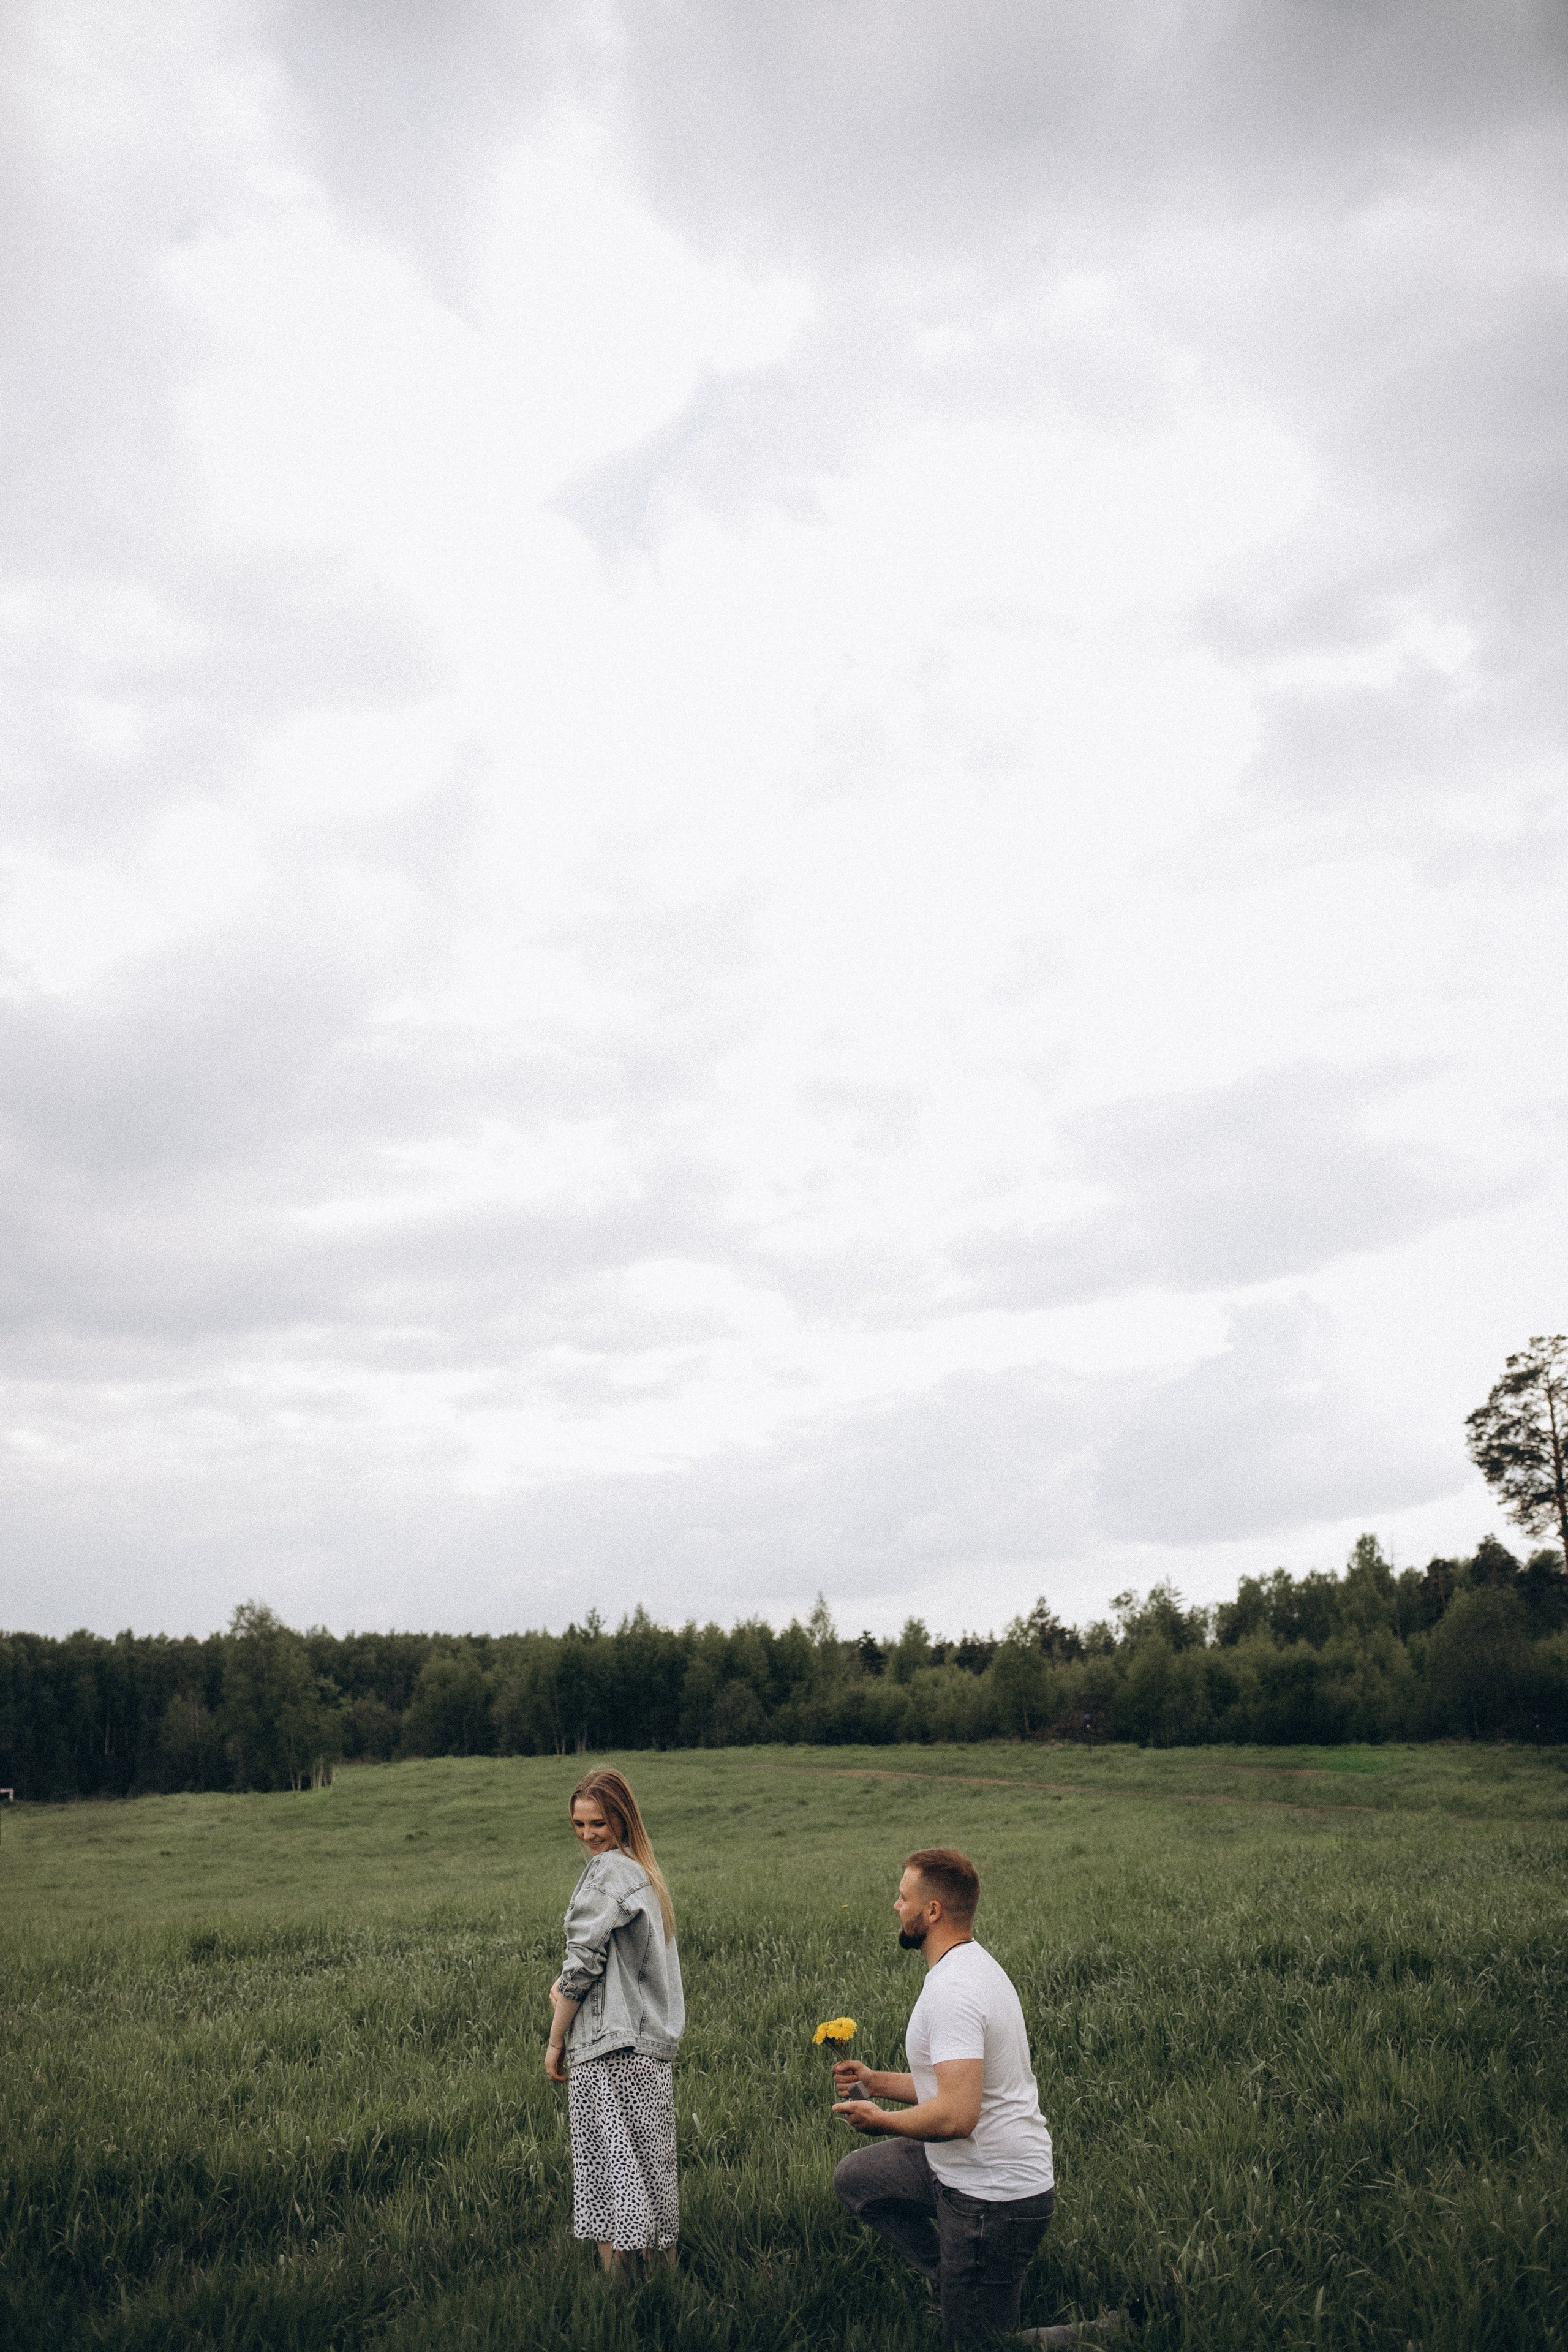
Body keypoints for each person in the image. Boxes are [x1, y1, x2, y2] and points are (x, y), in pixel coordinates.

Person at [831, 1846, 1055, 2346]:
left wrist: (881, 2120)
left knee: (981, 2347)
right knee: (858, 2179)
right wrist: (876, 2081)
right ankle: (956, 2281)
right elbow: (953, 2088)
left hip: (994, 2197)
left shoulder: (954, 1990)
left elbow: (956, 2115)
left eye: (903, 1897)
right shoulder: (970, 1967)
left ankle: (1114, 2328)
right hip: (961, 2170)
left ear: (931, 1911)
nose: (896, 1906)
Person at [545, 1767, 685, 2279]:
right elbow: (620, 1968)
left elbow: (582, 1964)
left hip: (606, 2050)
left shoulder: (607, 1874)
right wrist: (565, 1989)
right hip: (647, 2049)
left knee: (606, 2173)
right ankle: (664, 2284)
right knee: (652, 2170)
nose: (588, 1836)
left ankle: (617, 2294)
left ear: (622, 1819)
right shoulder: (645, 1874)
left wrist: (556, 2038)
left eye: (598, 1823)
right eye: (579, 1825)